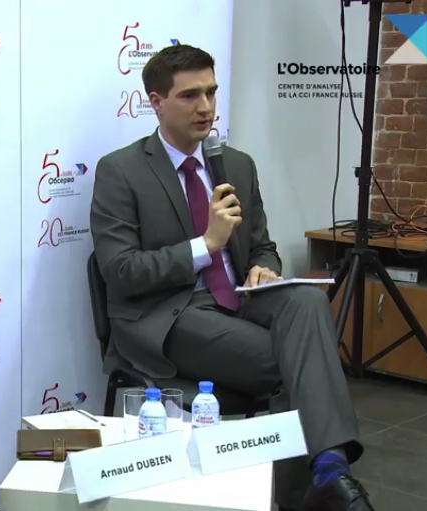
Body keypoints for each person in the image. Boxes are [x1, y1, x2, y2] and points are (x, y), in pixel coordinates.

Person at [89, 45, 374, 511]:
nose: (205, 107)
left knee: (306, 302)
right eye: (190, 96)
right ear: (156, 102)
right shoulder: (120, 171)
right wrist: (206, 245)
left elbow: (262, 244)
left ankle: (325, 478)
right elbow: (120, 272)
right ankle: (323, 478)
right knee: (298, 363)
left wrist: (266, 268)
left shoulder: (235, 164)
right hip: (168, 315)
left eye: (211, 92)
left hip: (239, 300)